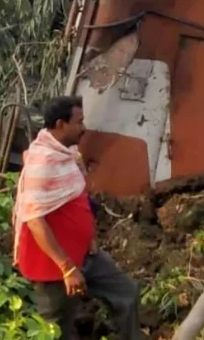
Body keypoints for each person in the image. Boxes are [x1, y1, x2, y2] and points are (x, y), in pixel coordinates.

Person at [12, 95, 141, 339]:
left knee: (127, 293)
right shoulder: (42, 162)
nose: (84, 128)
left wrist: (90, 236)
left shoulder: (65, 153)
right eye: (79, 122)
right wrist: (67, 268)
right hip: (54, 268)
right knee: (56, 330)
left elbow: (78, 197)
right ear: (61, 124)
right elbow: (34, 220)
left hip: (84, 255)